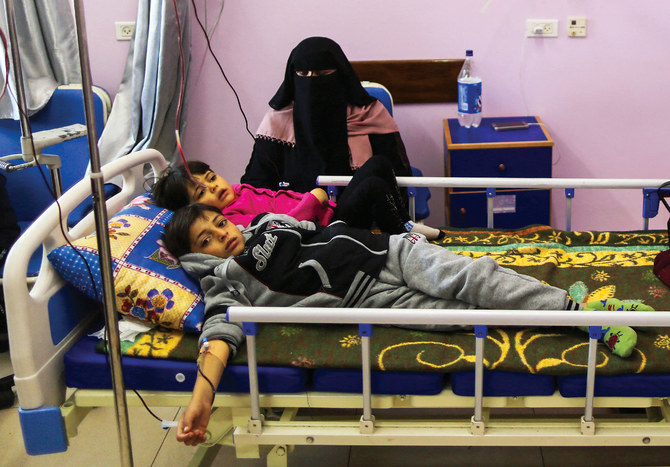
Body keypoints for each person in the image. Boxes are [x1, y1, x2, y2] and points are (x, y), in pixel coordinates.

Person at [163, 203, 649, 445]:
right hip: (370, 298)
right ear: (193, 256)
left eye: (219, 224)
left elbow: (322, 227)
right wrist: (201, 399)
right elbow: (220, 332)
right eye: (206, 240)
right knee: (463, 320)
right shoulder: (226, 280)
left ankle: (588, 316)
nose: (222, 237)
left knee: (472, 277)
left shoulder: (269, 222)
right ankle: (572, 313)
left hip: (388, 254)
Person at [241, 36, 413, 198]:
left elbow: (395, 178)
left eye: (322, 74)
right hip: (295, 216)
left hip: (356, 217)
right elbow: (257, 185)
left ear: (341, 75)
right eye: (303, 75)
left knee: (377, 168)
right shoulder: (278, 122)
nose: (312, 83)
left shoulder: (368, 115)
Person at [152, 157, 444, 239]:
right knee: (371, 189)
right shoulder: (231, 220)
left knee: (379, 164)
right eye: (202, 192)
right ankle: (403, 236)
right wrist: (313, 200)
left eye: (212, 178)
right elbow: (282, 225)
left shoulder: (242, 190)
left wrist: (310, 197)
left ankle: (404, 222)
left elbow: (281, 197)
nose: (215, 187)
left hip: (329, 212)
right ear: (193, 210)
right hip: (324, 232)